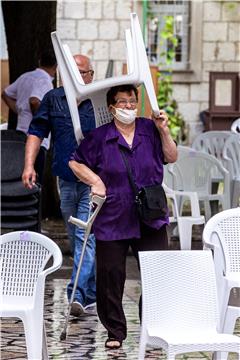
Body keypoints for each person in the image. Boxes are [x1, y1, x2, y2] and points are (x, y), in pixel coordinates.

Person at [68, 84, 178, 349]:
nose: (128, 106)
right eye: (122, 102)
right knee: (110, 276)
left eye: (132, 101)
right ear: (111, 107)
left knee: (156, 272)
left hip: (149, 214)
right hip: (113, 214)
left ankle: (152, 326)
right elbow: (75, 161)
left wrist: (163, 129)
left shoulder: (149, 129)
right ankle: (115, 332)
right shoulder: (99, 136)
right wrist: (95, 180)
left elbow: (171, 156)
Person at [22, 54, 96, 316]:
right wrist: (29, 165)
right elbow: (36, 131)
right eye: (71, 71)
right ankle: (89, 294)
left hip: (93, 183)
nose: (77, 76)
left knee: (84, 236)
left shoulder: (98, 101)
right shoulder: (54, 99)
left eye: (82, 72)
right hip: (65, 180)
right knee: (79, 239)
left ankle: (75, 296)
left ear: (90, 75)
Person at [2, 50, 57, 184]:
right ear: (56, 66)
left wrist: (18, 109)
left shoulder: (25, 77)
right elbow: (34, 101)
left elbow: (5, 93)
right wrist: (41, 122)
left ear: (40, 61)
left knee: (18, 181)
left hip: (20, 137)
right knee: (34, 184)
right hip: (35, 141)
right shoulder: (45, 80)